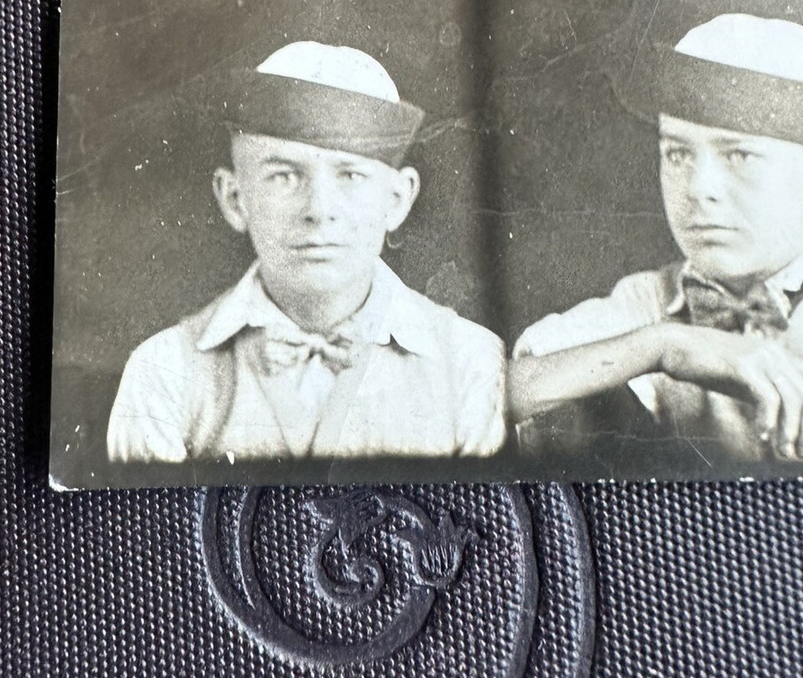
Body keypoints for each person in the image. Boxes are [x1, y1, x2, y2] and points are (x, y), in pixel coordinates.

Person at [509, 13, 803, 464]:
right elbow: (498, 395)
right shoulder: (650, 305)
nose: (699, 188)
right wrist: (665, 345)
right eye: (677, 154)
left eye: (740, 156)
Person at [107, 41, 506, 463]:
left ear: (396, 199)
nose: (319, 210)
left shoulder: (473, 364)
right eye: (284, 176)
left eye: (350, 175)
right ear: (234, 199)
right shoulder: (164, 372)